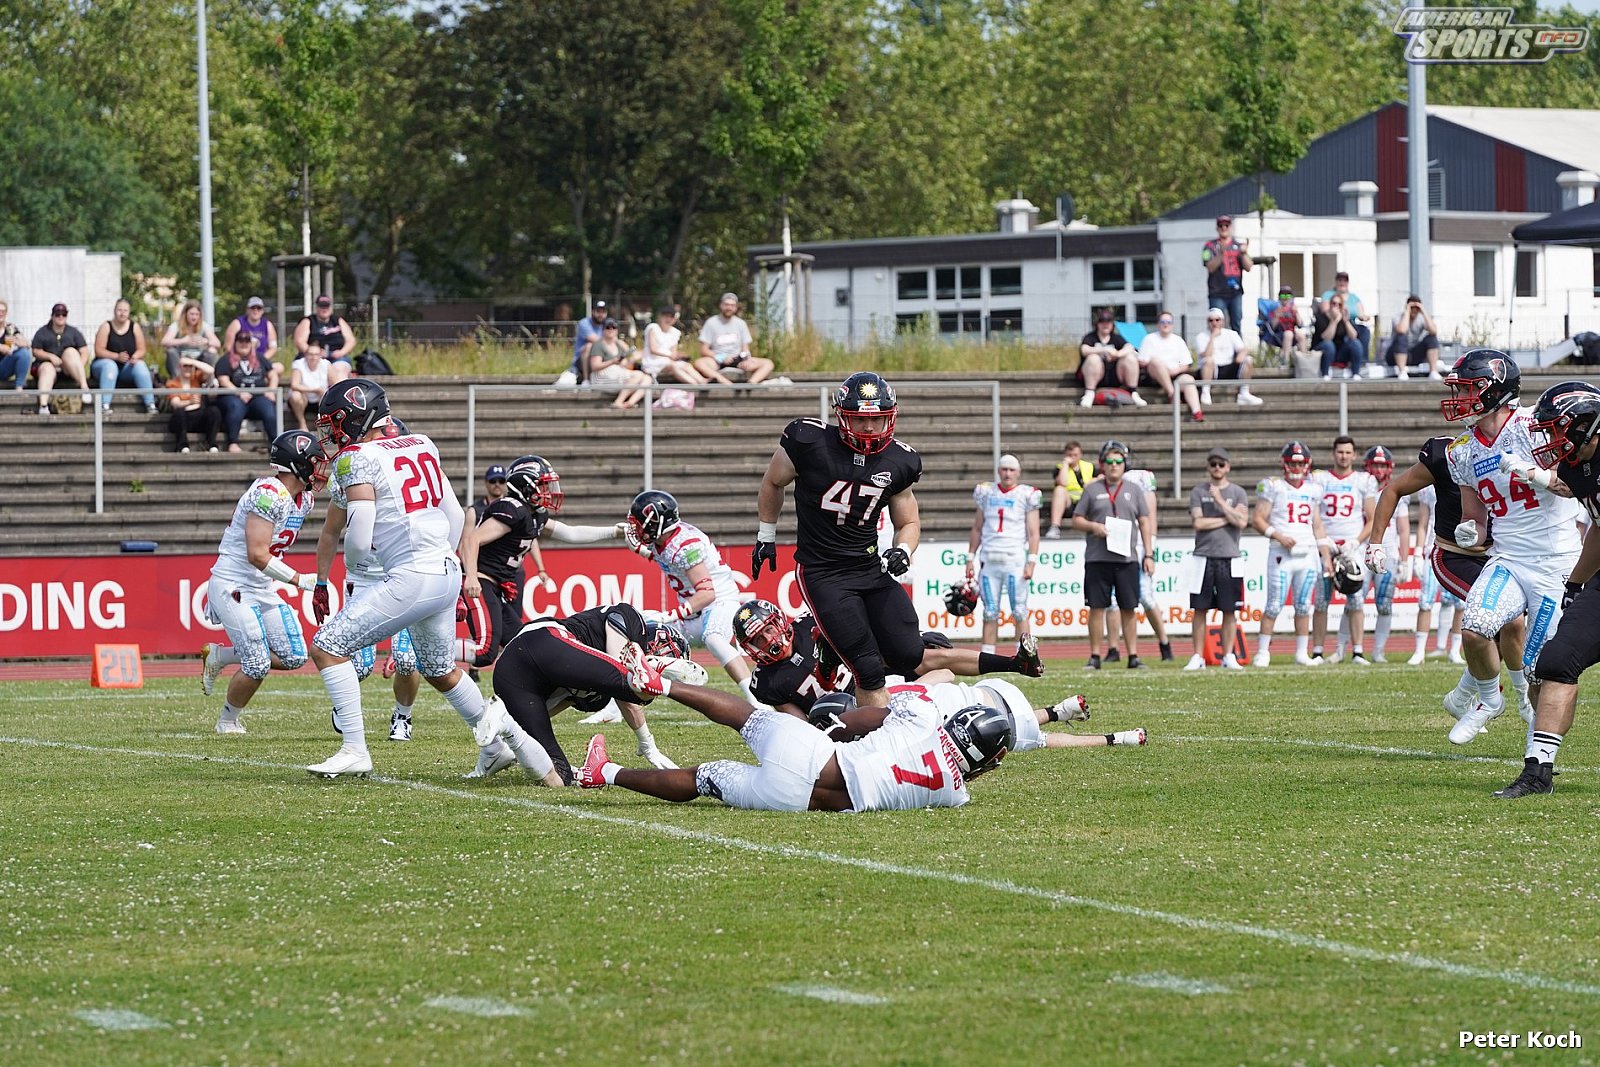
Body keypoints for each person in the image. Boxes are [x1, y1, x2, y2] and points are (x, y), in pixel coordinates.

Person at [304, 379, 538, 779]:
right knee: (440, 668)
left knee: (327, 646)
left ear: (359, 418)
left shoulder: (356, 457)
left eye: (334, 422)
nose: (329, 432)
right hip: (443, 570)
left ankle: (354, 749)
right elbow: (454, 515)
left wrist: (360, 570)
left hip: (410, 575)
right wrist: (449, 563)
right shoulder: (420, 444)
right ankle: (496, 747)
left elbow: (357, 537)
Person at [574, 674, 1013, 812]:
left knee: (747, 717)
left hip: (813, 754)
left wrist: (832, 727)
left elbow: (868, 716)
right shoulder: (954, 795)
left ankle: (661, 685)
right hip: (793, 801)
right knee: (704, 777)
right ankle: (604, 773)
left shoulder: (925, 717)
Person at [754, 371, 925, 708]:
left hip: (869, 567)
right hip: (824, 572)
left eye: (877, 419)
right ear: (842, 416)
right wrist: (766, 535)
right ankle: (875, 734)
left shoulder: (901, 460)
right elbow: (773, 482)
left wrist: (903, 550)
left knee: (909, 653)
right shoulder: (808, 441)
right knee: (868, 669)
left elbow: (909, 521)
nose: (869, 427)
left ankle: (831, 646)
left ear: (891, 417)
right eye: (860, 419)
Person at [1442, 350, 1583, 745]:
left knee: (1540, 670)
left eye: (1468, 389)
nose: (1461, 398)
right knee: (1474, 629)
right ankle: (1490, 700)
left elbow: (1575, 486)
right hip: (1508, 557)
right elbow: (1475, 517)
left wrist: (1533, 473)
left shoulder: (1535, 427)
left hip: (1555, 561)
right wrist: (1470, 531)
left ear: (1495, 389)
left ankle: (1538, 756)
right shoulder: (1462, 450)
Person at [1367, 426, 1532, 721]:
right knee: (1507, 618)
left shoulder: (1515, 452)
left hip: (1500, 556)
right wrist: (1375, 542)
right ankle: (1519, 699)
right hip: (1454, 556)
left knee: (1510, 624)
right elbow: (1393, 489)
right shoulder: (1448, 454)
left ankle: (1464, 697)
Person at [1494, 380, 1600, 797]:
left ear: (1587, 426)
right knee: (1556, 660)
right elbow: (1597, 527)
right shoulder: (1578, 467)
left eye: (1558, 429)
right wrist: (1575, 583)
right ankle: (1538, 772)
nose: (1551, 439)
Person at [470, 602, 679, 784]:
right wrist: (647, 744)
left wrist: (522, 727)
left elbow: (554, 704)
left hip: (513, 680)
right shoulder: (631, 618)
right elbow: (621, 674)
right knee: (634, 687)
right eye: (665, 654)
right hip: (541, 640)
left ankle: (504, 729)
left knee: (560, 777)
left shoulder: (598, 694)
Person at [199, 430, 323, 733]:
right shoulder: (269, 494)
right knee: (256, 663)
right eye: (315, 461)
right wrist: (298, 580)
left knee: (295, 655)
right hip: (234, 583)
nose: (320, 467)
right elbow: (256, 554)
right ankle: (227, 721)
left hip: (261, 585)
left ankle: (221, 655)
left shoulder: (304, 499)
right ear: (298, 463)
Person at [623, 489, 760, 702]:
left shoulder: (685, 545)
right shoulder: (664, 538)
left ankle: (756, 700)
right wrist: (642, 551)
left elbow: (707, 593)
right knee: (640, 636)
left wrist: (668, 615)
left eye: (640, 523)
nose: (636, 528)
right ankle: (615, 709)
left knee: (714, 638)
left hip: (719, 602)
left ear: (656, 523)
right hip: (693, 612)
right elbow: (667, 558)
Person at [1072, 439, 1154, 671]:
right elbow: (1076, 519)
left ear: (1124, 464)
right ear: (1102, 464)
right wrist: (1094, 527)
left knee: (1129, 608)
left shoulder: (1134, 490)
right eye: (1109, 461)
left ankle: (1133, 655)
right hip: (1098, 557)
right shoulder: (1092, 489)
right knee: (1097, 607)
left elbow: (1145, 522)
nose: (1114, 465)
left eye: (1118, 461)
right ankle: (1095, 656)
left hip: (1126, 558)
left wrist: (1149, 554)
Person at [1252, 441, 1335, 667]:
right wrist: (1278, 536)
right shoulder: (1273, 486)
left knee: (1303, 605)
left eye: (1300, 463)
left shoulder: (1313, 489)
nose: (1296, 467)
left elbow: (1317, 525)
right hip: (1281, 554)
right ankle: (1262, 652)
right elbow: (1258, 519)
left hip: (1307, 553)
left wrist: (1325, 556)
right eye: (1292, 463)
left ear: (1307, 464)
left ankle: (1301, 653)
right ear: (1284, 463)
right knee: (1274, 604)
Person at [1183, 447, 1250, 671]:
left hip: (1230, 557)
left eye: (1221, 464)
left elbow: (1242, 522)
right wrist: (1227, 517)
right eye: (1213, 464)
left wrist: (1220, 502)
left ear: (1228, 467)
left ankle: (1228, 655)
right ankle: (1197, 655)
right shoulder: (1198, 492)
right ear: (1208, 467)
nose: (1217, 468)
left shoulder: (1238, 492)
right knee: (1199, 609)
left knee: (1229, 609)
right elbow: (1199, 523)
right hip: (1202, 557)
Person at [965, 455, 1041, 655]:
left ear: (1018, 472)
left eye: (1012, 470)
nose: (1007, 473)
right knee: (990, 611)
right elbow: (977, 527)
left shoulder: (1026, 494)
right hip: (990, 559)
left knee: (1019, 610)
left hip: (1014, 559)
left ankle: (1024, 656)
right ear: (998, 471)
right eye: (1004, 469)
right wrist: (970, 557)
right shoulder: (986, 492)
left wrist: (1031, 561)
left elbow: (1034, 532)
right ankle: (987, 656)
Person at [1310, 435, 1376, 663]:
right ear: (1333, 453)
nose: (1344, 456)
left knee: (1356, 600)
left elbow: (1372, 518)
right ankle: (1317, 651)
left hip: (1352, 548)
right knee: (1321, 601)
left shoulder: (1363, 480)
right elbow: (1314, 515)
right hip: (1326, 545)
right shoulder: (1320, 479)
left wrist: (1355, 542)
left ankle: (1357, 651)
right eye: (1340, 452)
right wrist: (1323, 542)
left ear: (1354, 455)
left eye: (1348, 452)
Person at [1103, 461, 1173, 663]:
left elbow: (1149, 516)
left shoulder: (1140, 478)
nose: (1114, 465)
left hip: (1139, 544)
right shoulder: (1105, 481)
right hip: (1117, 542)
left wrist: (1149, 550)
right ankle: (1113, 649)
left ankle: (1164, 643)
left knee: (1145, 596)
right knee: (1112, 599)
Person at [1356, 446, 1412, 663]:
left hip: (1387, 554)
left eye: (1382, 465)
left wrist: (1405, 561)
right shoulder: (1359, 488)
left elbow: (1404, 529)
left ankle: (1378, 651)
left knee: (1384, 605)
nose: (1379, 470)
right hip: (1362, 551)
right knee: (1354, 602)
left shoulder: (1397, 492)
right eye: (1375, 465)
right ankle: (1345, 649)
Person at [214, 331, 281, 452]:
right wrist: (239, 392)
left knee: (268, 408)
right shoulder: (226, 359)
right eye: (240, 341)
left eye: (247, 341)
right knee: (236, 407)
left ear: (251, 344)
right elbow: (223, 380)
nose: (244, 344)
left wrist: (271, 390)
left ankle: (276, 443)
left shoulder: (259, 358)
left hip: (257, 396)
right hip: (233, 396)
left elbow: (273, 374)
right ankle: (232, 442)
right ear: (235, 343)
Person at [90, 298, 157, 415]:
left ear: (129, 312)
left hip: (126, 367)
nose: (122, 313)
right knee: (110, 366)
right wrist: (116, 356)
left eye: (125, 311)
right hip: (104, 366)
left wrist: (135, 356)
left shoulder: (134, 327)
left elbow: (142, 349)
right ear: (114, 311)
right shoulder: (106, 326)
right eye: (119, 310)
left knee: (140, 366)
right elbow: (99, 350)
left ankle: (150, 404)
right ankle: (105, 405)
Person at [1136, 310, 1203, 421]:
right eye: (1163, 322)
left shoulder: (1178, 340)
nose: (1165, 324)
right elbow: (1142, 361)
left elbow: (1185, 364)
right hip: (1154, 376)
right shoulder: (1149, 339)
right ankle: (1172, 394)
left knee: (1189, 379)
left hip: (1174, 374)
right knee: (1156, 361)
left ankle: (1197, 412)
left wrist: (1173, 371)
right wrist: (1162, 368)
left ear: (1172, 324)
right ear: (1158, 324)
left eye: (1168, 322)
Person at [695, 292, 773, 386]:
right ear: (721, 305)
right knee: (699, 363)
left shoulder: (741, 324)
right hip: (717, 360)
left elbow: (745, 348)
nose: (729, 308)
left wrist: (746, 359)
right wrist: (720, 357)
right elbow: (704, 350)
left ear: (735, 308)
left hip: (737, 359)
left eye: (732, 305)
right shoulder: (711, 323)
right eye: (726, 305)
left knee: (768, 363)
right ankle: (724, 382)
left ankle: (751, 384)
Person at [28, 303, 92, 415]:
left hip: (68, 369)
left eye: (64, 314)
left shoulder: (74, 332)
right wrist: (50, 356)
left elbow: (84, 351)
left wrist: (78, 365)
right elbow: (36, 351)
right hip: (47, 367)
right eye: (57, 314)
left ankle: (84, 388)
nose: (61, 317)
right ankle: (43, 405)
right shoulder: (42, 332)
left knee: (71, 352)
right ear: (52, 316)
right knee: (47, 368)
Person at [1193, 308, 1263, 407]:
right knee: (1209, 360)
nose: (1214, 323)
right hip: (1212, 370)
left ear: (1222, 321)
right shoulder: (1201, 336)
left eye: (1217, 320)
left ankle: (1244, 393)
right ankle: (1205, 392)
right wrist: (1212, 337)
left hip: (1229, 367)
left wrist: (1240, 356)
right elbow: (1206, 354)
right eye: (1211, 320)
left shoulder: (1231, 334)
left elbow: (1243, 349)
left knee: (1248, 359)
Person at [1077, 309, 1142, 407]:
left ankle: (1133, 392)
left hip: (1115, 375)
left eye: (1108, 322)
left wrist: (1117, 354)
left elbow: (1129, 347)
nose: (1105, 325)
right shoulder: (1090, 337)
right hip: (1095, 376)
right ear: (1097, 324)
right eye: (1102, 322)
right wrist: (1104, 349)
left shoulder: (1116, 338)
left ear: (1112, 324)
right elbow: (1084, 350)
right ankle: (1089, 393)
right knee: (1093, 358)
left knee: (1130, 358)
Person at [1201, 215, 1253, 332]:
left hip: (1235, 292)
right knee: (1215, 325)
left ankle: (1237, 344)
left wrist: (1244, 253)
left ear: (1231, 227)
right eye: (1221, 225)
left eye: (1226, 225)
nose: (1224, 228)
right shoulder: (1209, 246)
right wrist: (1221, 254)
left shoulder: (1239, 246)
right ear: (1217, 228)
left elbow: (1249, 267)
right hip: (1217, 293)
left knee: (1236, 325)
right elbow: (1210, 267)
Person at [585, 318, 651, 409]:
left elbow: (625, 364)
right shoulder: (598, 344)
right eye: (608, 327)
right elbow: (595, 366)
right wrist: (612, 361)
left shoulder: (619, 344)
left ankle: (629, 403)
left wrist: (632, 359)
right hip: (601, 376)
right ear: (603, 329)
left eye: (614, 327)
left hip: (616, 373)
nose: (611, 329)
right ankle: (618, 402)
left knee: (647, 379)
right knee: (638, 375)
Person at [293, 295, 354, 386]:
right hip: (314, 357)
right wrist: (315, 353)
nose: (324, 309)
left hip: (336, 357)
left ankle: (338, 393)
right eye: (322, 306)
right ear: (317, 307)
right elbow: (299, 341)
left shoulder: (338, 320)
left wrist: (341, 352)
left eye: (327, 306)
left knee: (340, 372)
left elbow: (350, 340)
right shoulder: (308, 321)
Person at [166, 353, 222, 453]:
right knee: (179, 413)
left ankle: (211, 444)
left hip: (199, 415)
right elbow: (175, 403)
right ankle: (182, 446)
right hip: (184, 417)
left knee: (214, 411)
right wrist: (189, 402)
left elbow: (210, 371)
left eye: (190, 366)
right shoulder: (173, 383)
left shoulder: (196, 378)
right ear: (179, 367)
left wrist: (193, 362)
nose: (188, 369)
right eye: (185, 366)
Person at [641, 305, 706, 387]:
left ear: (674, 319)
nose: (668, 319)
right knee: (674, 366)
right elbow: (653, 349)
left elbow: (673, 353)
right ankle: (695, 385)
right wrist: (670, 355)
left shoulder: (675, 332)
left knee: (687, 365)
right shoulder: (653, 328)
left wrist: (679, 356)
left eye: (671, 317)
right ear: (661, 317)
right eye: (666, 316)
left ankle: (703, 382)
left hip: (667, 362)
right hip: (652, 363)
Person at [1318, 271, 1371, 369]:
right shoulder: (1329, 294)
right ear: (1336, 282)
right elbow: (1325, 310)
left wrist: (1364, 317)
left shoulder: (1353, 297)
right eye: (1340, 280)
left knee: (1364, 331)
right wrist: (1338, 313)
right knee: (1345, 334)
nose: (1342, 283)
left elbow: (1361, 313)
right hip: (1335, 321)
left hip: (1350, 322)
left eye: (1345, 280)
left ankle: (1362, 361)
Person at [1045, 441, 1095, 539]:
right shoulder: (1060, 467)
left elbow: (1101, 478)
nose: (1072, 458)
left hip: (1085, 501)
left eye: (1075, 455)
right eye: (1070, 455)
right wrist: (1065, 464)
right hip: (1069, 502)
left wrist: (1092, 482)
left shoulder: (1089, 466)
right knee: (1059, 489)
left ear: (1080, 454)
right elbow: (1062, 482)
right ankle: (1054, 527)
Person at [160, 299, 220, 379]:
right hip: (181, 358)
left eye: (197, 314)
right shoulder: (176, 325)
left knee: (212, 351)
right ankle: (177, 380)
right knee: (171, 351)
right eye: (192, 314)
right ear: (185, 314)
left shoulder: (204, 326)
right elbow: (164, 341)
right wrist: (183, 341)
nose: (194, 317)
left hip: (199, 359)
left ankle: (206, 380)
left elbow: (217, 343)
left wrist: (206, 341)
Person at [1386, 295, 1442, 380]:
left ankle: (1433, 371)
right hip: (1395, 354)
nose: (1414, 310)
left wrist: (1423, 311)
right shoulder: (1398, 317)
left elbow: (1434, 331)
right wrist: (1407, 311)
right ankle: (1402, 372)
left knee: (1431, 338)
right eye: (1412, 307)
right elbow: (1401, 330)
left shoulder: (1421, 318)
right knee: (1401, 337)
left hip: (1412, 354)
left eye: (1416, 308)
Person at [1311, 294, 1364, 380]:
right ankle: (1325, 374)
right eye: (1334, 303)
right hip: (1323, 350)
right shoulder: (1321, 317)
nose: (1336, 306)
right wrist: (1334, 321)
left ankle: (1356, 373)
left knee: (1355, 343)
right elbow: (1326, 338)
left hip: (1338, 352)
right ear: (1330, 304)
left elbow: (1354, 336)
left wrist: (1346, 321)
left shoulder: (1343, 317)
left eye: (1339, 304)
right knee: (1328, 344)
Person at [287, 341, 332, 431]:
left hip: (320, 400)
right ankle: (302, 424)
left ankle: (324, 425)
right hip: (304, 399)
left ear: (320, 355)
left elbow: (335, 382)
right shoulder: (299, 364)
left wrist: (326, 392)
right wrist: (314, 390)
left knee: (329, 396)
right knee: (295, 395)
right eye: (311, 354)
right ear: (306, 355)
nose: (313, 357)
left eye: (316, 354)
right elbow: (294, 385)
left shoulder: (326, 364)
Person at [560, 300, 608, 386]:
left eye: (603, 312)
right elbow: (595, 340)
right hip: (580, 362)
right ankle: (586, 380)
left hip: (600, 358)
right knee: (589, 346)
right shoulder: (584, 323)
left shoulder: (607, 325)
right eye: (598, 311)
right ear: (593, 311)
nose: (601, 314)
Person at [222, 297, 278, 367]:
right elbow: (228, 347)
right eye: (253, 308)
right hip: (239, 361)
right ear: (247, 310)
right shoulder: (237, 323)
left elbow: (273, 348)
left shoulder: (268, 325)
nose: (256, 311)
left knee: (279, 367)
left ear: (262, 311)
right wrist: (240, 361)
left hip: (261, 361)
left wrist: (261, 360)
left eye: (259, 308)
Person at [1266, 286, 1304, 364]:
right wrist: (1277, 316)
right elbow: (1272, 327)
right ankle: (1285, 360)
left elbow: (1300, 325)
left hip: (1292, 334)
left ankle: (1303, 361)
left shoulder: (1293, 309)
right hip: (1278, 335)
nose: (1285, 298)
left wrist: (1296, 313)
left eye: (1288, 296)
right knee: (1288, 334)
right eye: (1283, 296)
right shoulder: (1275, 309)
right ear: (1279, 298)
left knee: (1301, 335)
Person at [0, 300, 30, 395]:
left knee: (24, 353)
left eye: (3, 311)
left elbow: (27, 344)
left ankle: (19, 388)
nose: (0, 314)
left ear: (6, 313)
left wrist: (16, 341)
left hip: (3, 367)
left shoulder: (10, 328)